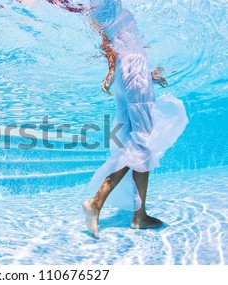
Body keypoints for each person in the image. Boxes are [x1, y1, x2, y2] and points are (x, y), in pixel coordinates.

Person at [39, 0, 188, 238]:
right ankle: (97, 202)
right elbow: (108, 40)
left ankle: (139, 215)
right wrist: (115, 68)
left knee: (138, 144)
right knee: (142, 144)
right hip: (131, 67)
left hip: (128, 71)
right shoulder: (108, 6)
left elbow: (111, 40)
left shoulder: (103, 10)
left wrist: (144, 76)